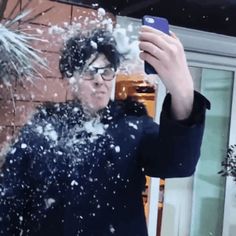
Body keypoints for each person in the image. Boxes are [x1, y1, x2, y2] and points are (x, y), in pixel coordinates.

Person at [0, 26, 210, 236]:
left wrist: (182, 90)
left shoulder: (134, 127)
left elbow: (179, 163)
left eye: (107, 71)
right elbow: (9, 203)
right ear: (70, 78)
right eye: (89, 71)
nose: (99, 80)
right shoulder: (41, 132)